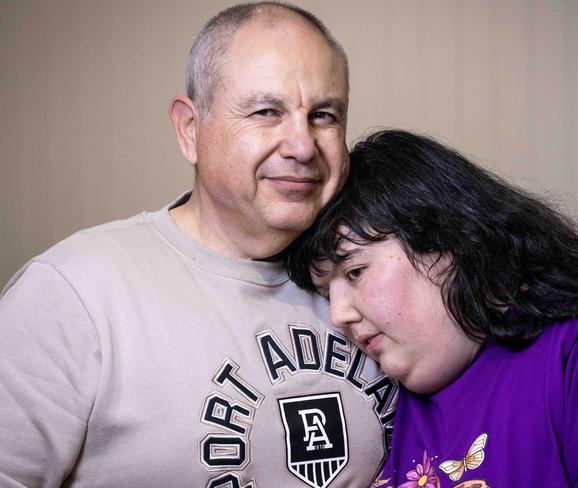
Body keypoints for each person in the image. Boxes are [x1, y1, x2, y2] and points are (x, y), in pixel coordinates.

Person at [0, 4, 394, 487]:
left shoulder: (381, 276)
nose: (302, 146)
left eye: (324, 115)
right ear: (190, 130)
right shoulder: (74, 293)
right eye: (266, 112)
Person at [286, 129, 578, 488]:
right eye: (327, 294)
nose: (339, 315)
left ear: (448, 238)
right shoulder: (379, 396)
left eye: (355, 272)